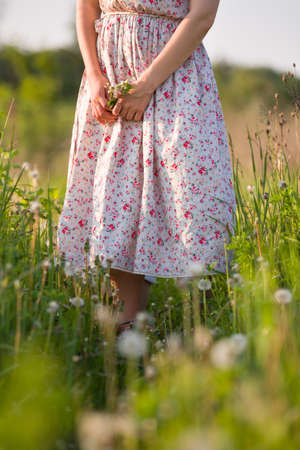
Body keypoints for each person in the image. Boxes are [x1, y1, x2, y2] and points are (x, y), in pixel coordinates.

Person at [56, 0, 236, 333]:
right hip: (111, 75)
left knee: (180, 197)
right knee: (116, 197)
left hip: (172, 78)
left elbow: (202, 15)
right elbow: (87, 8)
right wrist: (94, 74)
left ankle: (190, 330)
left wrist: (146, 85)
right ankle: (128, 330)